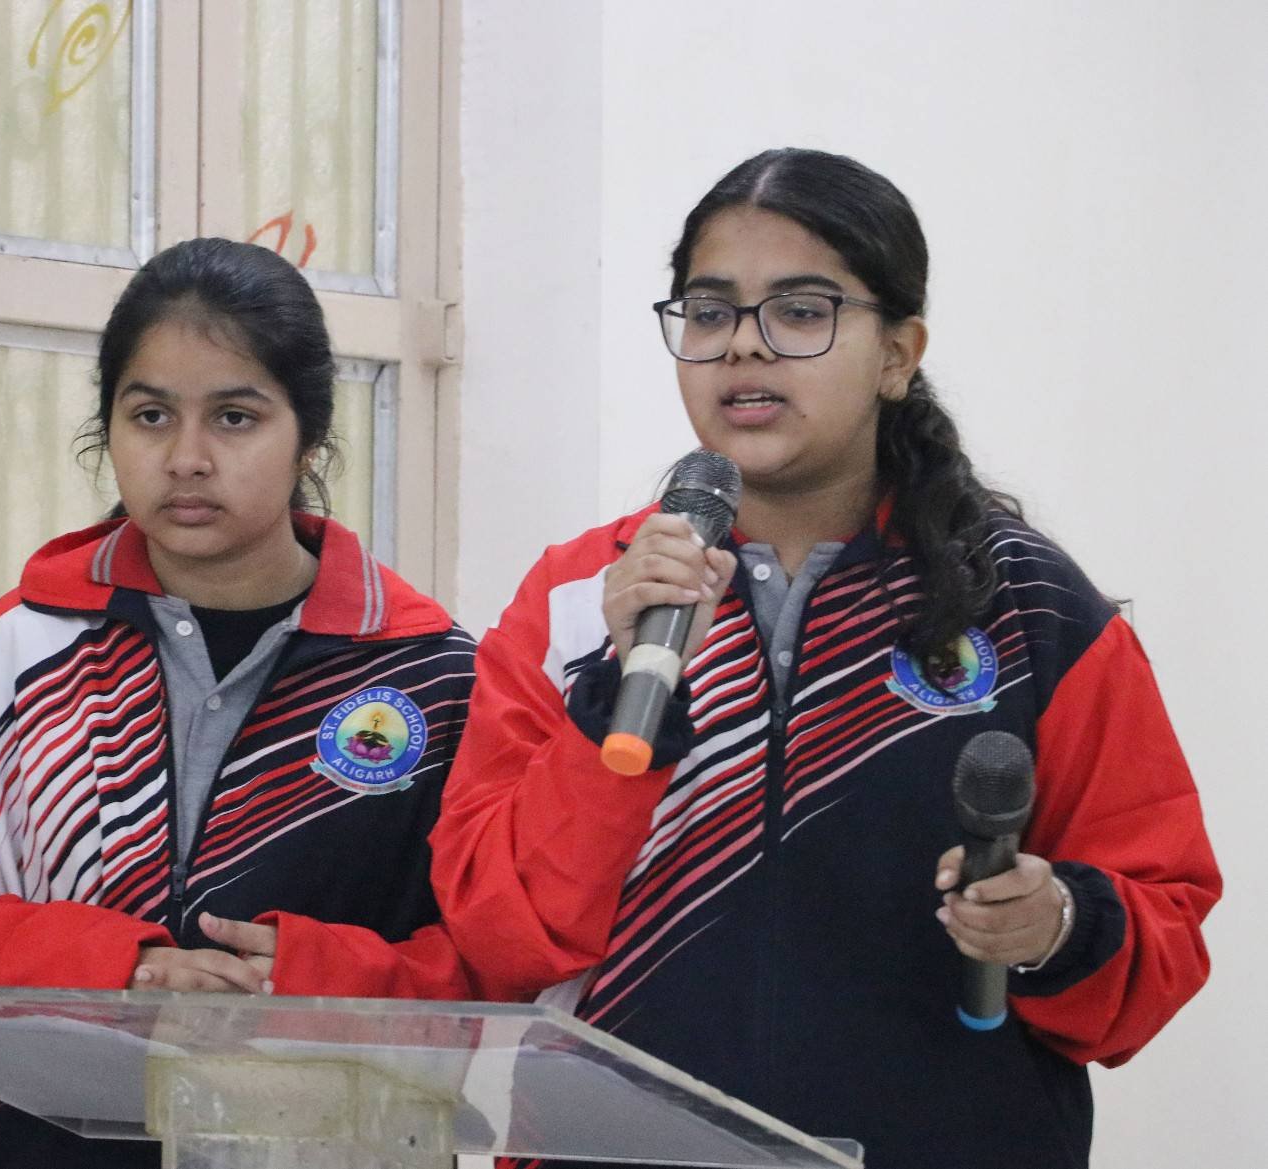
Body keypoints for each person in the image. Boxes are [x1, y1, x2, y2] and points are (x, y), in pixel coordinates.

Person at [429, 149, 1221, 1169]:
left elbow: (1162, 935)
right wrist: (609, 704)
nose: (741, 347)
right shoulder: (581, 598)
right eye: (709, 312)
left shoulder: (1029, 606)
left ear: (897, 353)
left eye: (800, 311)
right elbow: (495, 938)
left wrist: (1054, 924)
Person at [0, 238, 477, 1168]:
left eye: (235, 417)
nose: (186, 457)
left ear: (309, 435)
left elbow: (497, 967)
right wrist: (112, 968)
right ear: (109, 430)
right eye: (150, 415)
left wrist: (320, 979)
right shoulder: (13, 659)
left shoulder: (433, 678)